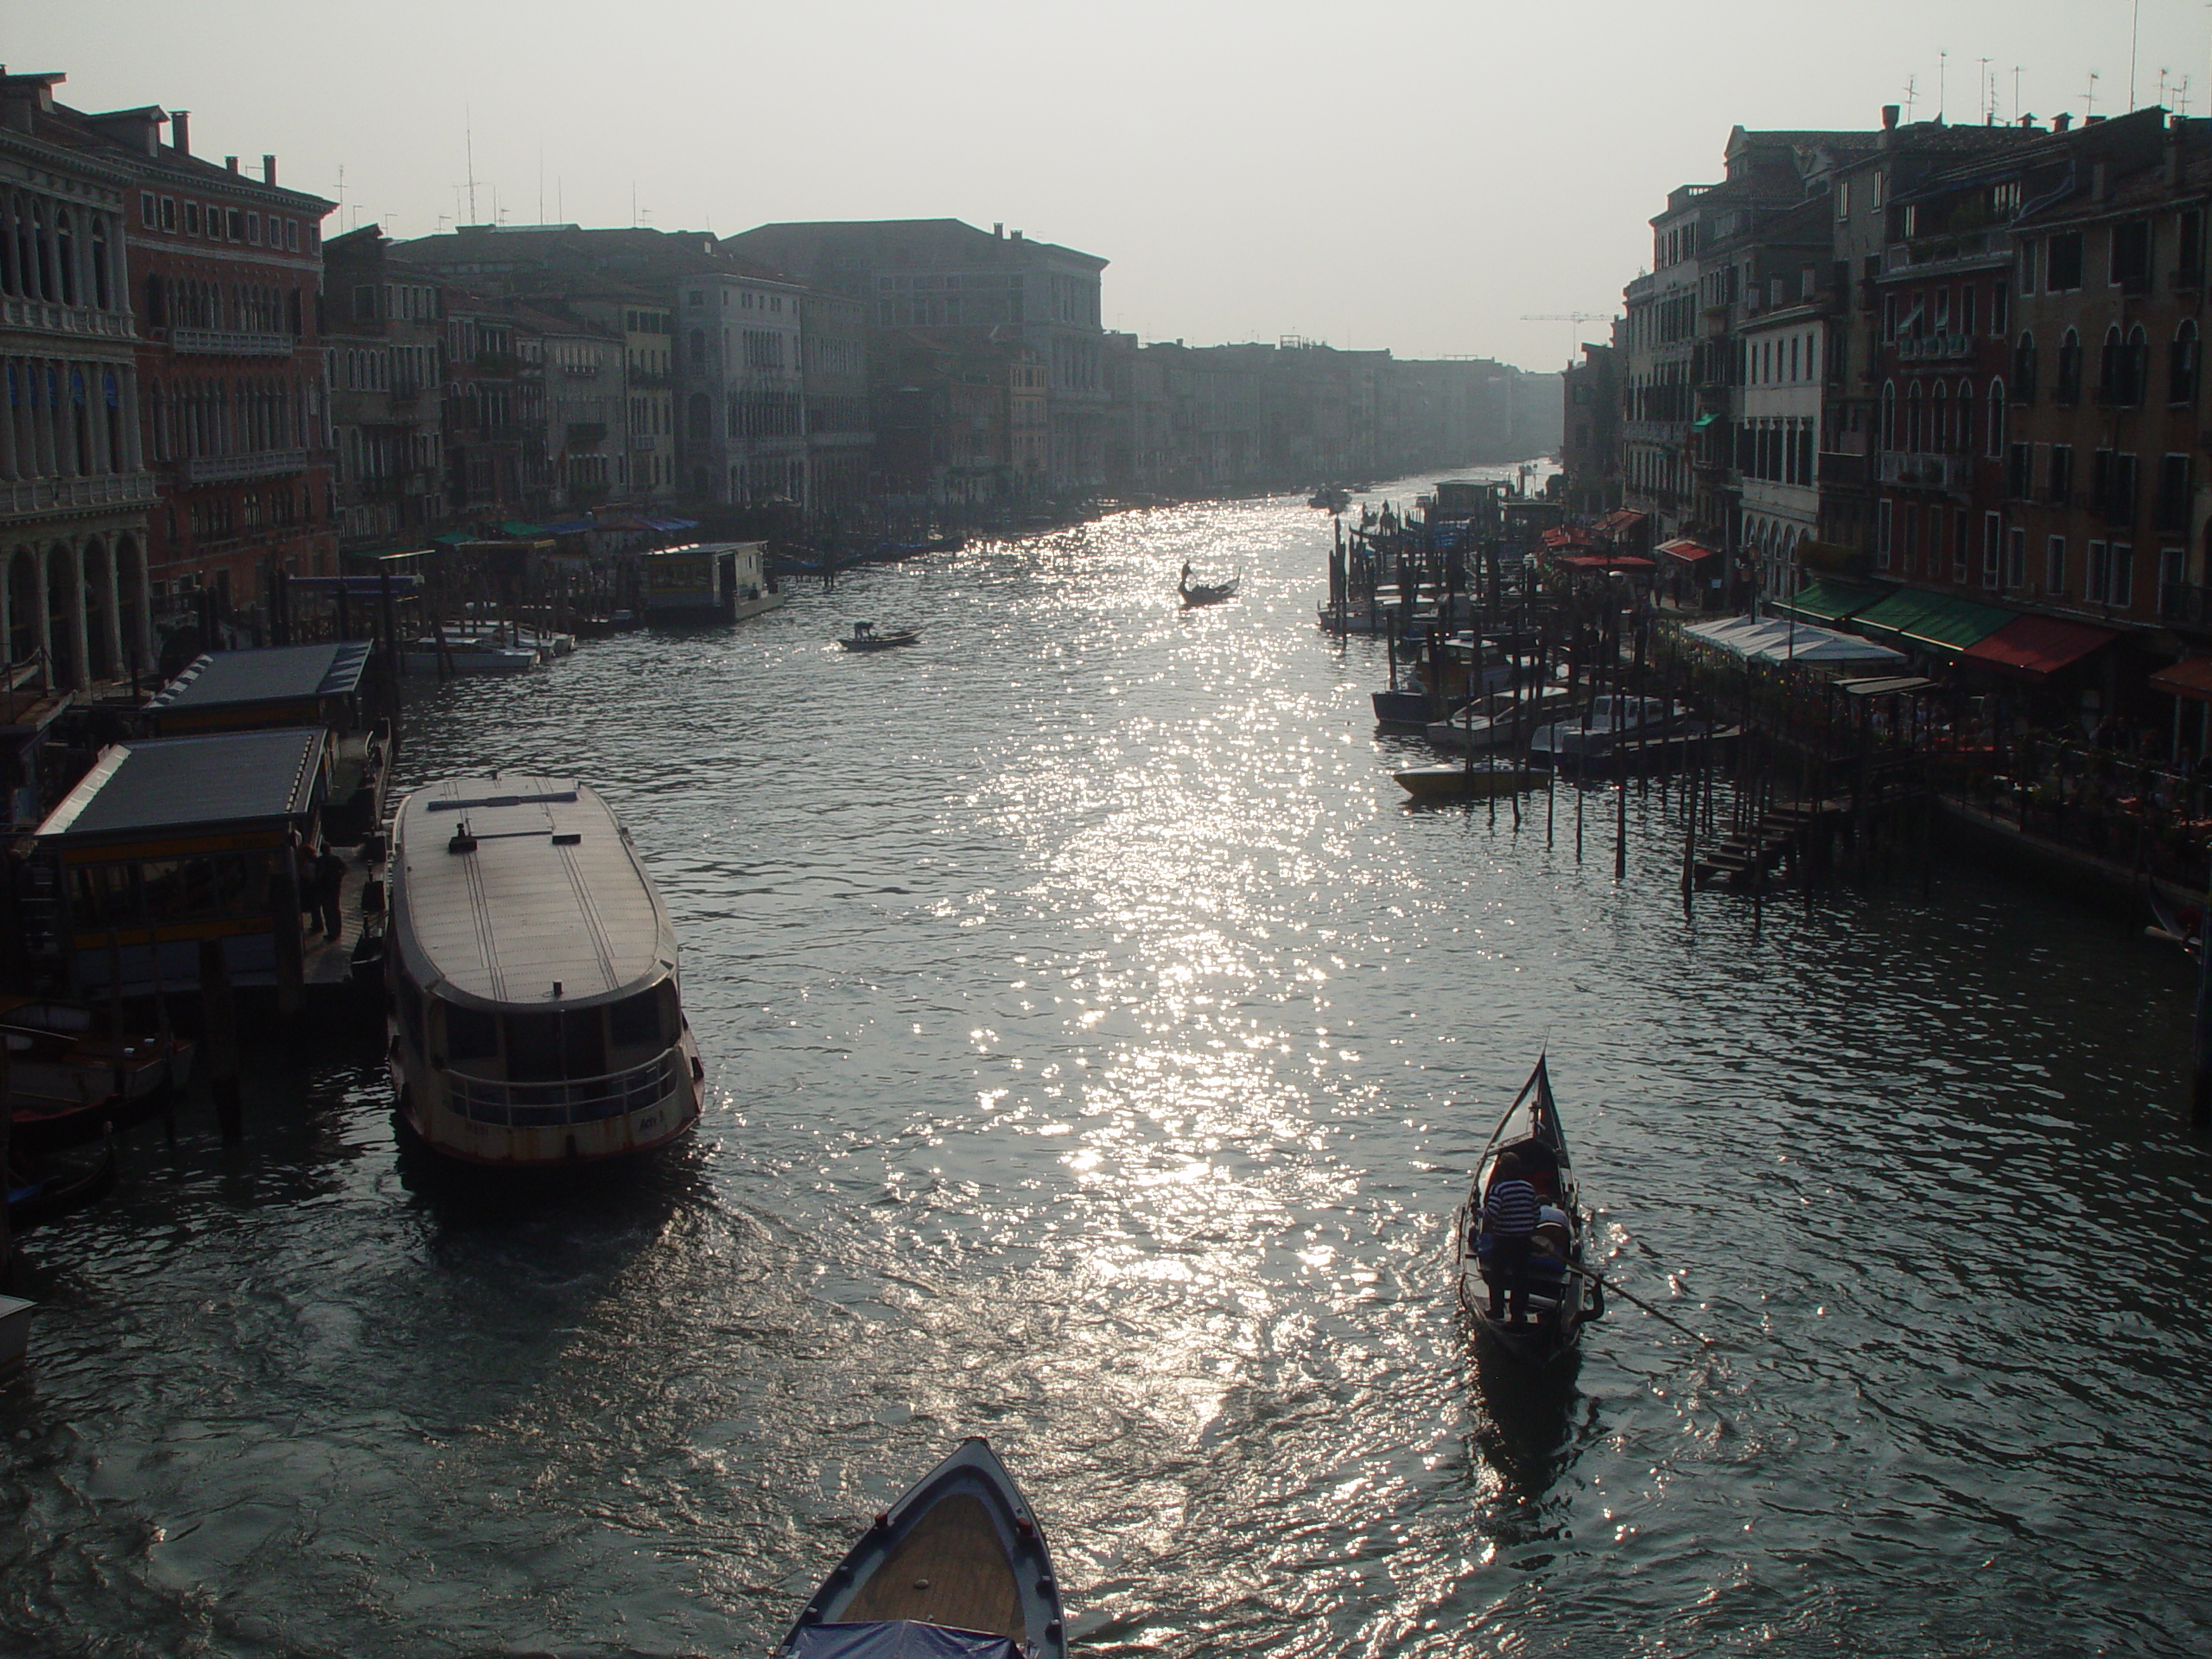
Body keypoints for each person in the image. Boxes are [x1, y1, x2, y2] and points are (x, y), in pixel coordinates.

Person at [1479, 1152, 1540, 1319]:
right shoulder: (1528, 1187)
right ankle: (1518, 1313)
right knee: (1521, 1277)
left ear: (1503, 1170)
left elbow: (1492, 1214)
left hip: (1503, 1240)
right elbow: (1536, 1214)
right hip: (1523, 1241)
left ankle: (1497, 1310)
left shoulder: (1499, 1189)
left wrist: (1479, 1213)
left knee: (1497, 1276)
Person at [313, 842, 347, 943]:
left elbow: (318, 875)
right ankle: (338, 930)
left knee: (327, 910)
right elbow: (345, 867)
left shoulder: (320, 861)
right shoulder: (336, 859)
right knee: (336, 908)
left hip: (325, 887)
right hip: (335, 887)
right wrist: (340, 876)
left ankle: (332, 932)